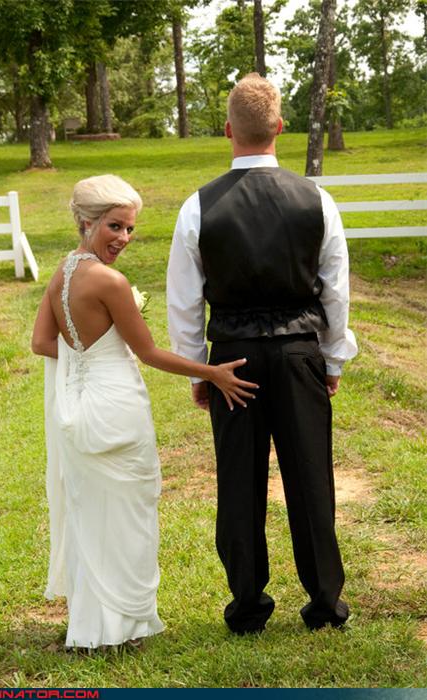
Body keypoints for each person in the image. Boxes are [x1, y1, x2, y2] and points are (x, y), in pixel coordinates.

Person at [31, 174, 258, 650]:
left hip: (78, 404)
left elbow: (42, 342)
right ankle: (119, 627)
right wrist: (212, 373)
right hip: (116, 404)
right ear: (86, 221)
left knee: (94, 515)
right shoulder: (109, 281)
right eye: (115, 226)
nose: (124, 238)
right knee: (126, 515)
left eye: (130, 228)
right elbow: (150, 353)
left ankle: (93, 628)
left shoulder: (63, 271)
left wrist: (85, 359)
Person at [167, 73, 358, 634]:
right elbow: (335, 290)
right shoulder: (316, 199)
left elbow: (184, 301)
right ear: (280, 127)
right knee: (311, 478)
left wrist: (199, 370)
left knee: (239, 481)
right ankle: (325, 604)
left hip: (232, 360)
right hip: (299, 353)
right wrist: (332, 359)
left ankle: (248, 607)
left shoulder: (197, 207)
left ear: (228, 130)